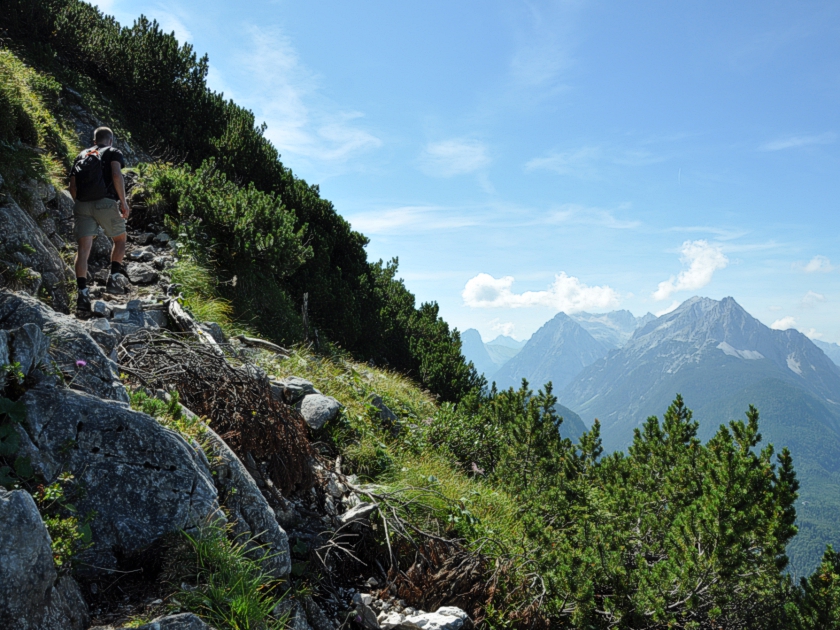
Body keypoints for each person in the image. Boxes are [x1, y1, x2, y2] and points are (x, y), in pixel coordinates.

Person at [68, 126, 131, 316]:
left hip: (82, 204)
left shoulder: (81, 155)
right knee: (120, 239)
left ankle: (82, 295)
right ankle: (114, 280)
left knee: (83, 249)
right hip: (105, 202)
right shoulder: (113, 152)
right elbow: (116, 175)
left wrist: (81, 204)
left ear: (94, 141)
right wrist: (123, 202)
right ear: (110, 140)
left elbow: (72, 186)